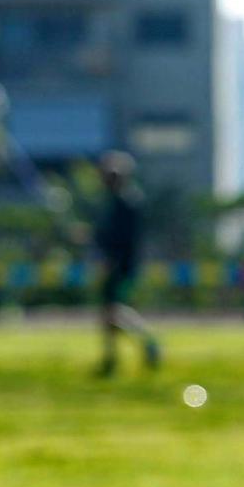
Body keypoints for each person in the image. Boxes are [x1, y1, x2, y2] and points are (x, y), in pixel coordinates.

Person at [91, 151, 160, 378]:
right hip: (116, 264)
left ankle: (147, 341)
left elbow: (121, 239)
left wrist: (108, 256)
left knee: (114, 311)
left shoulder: (128, 202)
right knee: (109, 314)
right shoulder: (116, 201)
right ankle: (111, 358)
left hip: (121, 266)